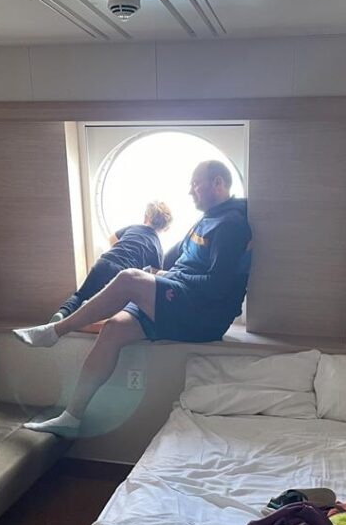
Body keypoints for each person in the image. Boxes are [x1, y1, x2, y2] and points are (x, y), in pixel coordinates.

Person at [13, 159, 252, 436]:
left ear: (218, 184)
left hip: (203, 313)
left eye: (196, 184)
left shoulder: (230, 225)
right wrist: (157, 273)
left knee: (129, 279)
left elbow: (218, 286)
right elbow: (174, 258)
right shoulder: (206, 220)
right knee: (114, 328)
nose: (190, 191)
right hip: (182, 300)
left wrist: (163, 278)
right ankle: (71, 417)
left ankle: (55, 331)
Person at [50, 201, 173, 323]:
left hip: (104, 262)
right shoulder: (157, 247)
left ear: (146, 217)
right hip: (122, 272)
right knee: (115, 303)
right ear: (166, 229)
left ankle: (61, 313)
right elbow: (155, 274)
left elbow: (112, 239)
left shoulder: (133, 228)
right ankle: (89, 306)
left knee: (81, 294)